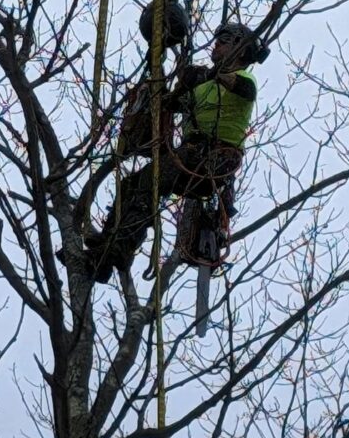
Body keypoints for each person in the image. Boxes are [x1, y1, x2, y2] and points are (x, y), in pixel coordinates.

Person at [85, 22, 265, 283]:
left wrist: (206, 75)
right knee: (131, 183)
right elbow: (171, 104)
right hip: (189, 155)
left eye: (224, 40)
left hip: (215, 158)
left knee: (151, 182)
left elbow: (242, 89)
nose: (216, 44)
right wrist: (174, 83)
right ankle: (108, 246)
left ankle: (117, 250)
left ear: (240, 50)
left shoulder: (245, 80)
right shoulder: (202, 87)